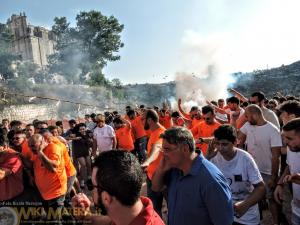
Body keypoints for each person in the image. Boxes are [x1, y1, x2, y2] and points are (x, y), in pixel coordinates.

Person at [151, 126, 233, 225]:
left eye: (167, 149)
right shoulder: (175, 168)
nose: (163, 154)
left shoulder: (211, 181)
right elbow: (155, 187)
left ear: (185, 149)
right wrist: (160, 169)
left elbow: (224, 222)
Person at [72, 150, 165, 225]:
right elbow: (107, 221)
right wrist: (84, 216)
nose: (91, 191)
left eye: (91, 185)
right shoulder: (132, 212)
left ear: (106, 198)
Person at [209, 125, 266, 225]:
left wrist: (245, 204)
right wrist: (207, 158)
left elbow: (261, 188)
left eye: (224, 144)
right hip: (223, 214)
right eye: (217, 144)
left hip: (246, 216)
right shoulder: (213, 157)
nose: (220, 148)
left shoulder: (245, 159)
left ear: (235, 142)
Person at [238, 104, 282, 224]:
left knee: (271, 199)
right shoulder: (248, 125)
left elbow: (276, 156)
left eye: (247, 116)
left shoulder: (272, 130)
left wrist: (273, 176)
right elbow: (238, 139)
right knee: (254, 198)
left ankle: (276, 222)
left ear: (255, 115)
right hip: (252, 169)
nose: (246, 119)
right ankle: (259, 221)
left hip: (267, 171)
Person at [275, 118, 300, 225]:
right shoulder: (292, 148)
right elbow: (289, 166)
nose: (285, 142)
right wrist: (280, 184)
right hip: (296, 207)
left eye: (289, 138)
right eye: (284, 138)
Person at [141, 109, 166, 217]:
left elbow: (157, 147)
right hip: (151, 177)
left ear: (150, 120)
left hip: (163, 179)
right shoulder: (153, 133)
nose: (141, 121)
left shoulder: (161, 133)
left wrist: (147, 161)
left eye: (143, 119)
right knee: (154, 210)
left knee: (171, 208)